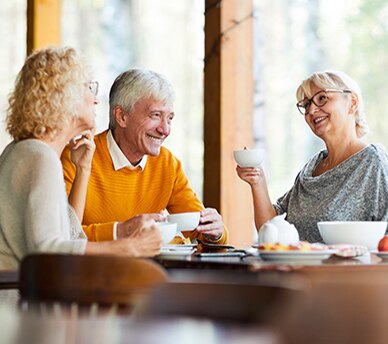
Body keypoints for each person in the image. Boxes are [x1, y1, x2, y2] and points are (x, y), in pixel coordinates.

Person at [0, 47, 162, 270]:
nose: (96, 100)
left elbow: (69, 234)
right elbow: (46, 250)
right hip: (21, 302)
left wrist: (83, 168)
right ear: (64, 96)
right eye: (89, 87)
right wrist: (128, 248)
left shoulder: (27, 152)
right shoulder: (39, 158)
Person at [61, 69, 228, 244]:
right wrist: (121, 231)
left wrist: (215, 233)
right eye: (155, 115)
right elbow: (61, 237)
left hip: (150, 269)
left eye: (169, 118)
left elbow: (200, 231)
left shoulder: (168, 164)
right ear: (121, 116)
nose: (165, 130)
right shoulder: (77, 156)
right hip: (92, 270)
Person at [236, 70, 388, 243]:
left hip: (349, 270)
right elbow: (272, 230)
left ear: (352, 103)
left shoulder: (373, 162)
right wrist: (258, 182)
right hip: (296, 269)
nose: (312, 110)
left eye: (322, 98)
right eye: (307, 104)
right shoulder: (311, 168)